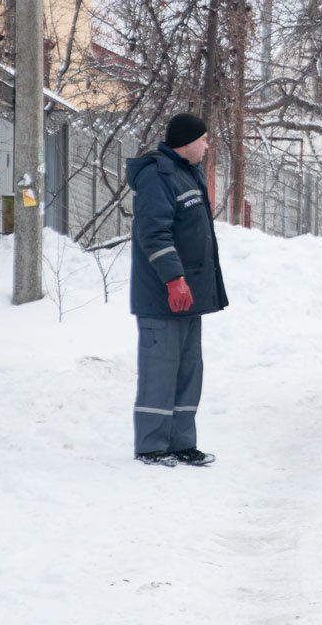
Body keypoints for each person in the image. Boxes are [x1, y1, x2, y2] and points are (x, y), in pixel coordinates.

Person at [126, 113, 229, 467]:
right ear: (186, 141)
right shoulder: (158, 176)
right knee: (160, 371)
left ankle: (182, 441)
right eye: (203, 139)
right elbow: (154, 233)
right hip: (162, 297)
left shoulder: (189, 174)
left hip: (189, 298)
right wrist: (173, 278)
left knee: (188, 371)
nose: (207, 145)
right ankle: (152, 445)